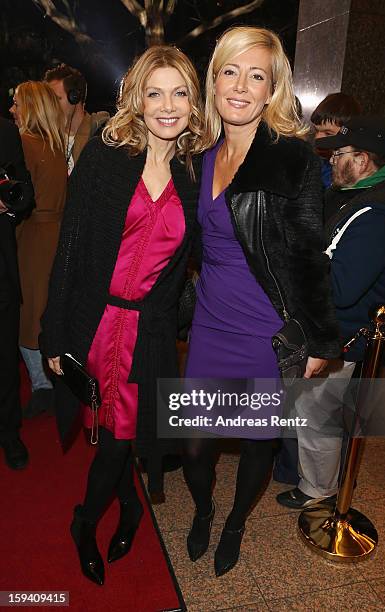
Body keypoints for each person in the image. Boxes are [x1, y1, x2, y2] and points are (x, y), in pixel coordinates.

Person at [40, 45, 204, 586]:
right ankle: (100, 516)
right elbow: (70, 250)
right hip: (96, 323)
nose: (167, 105)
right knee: (112, 433)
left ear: (193, 102)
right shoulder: (106, 158)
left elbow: (189, 264)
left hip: (147, 334)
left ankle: (99, 515)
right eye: (155, 92)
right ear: (136, 97)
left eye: (179, 92)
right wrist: (52, 335)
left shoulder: (191, 176)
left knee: (121, 436)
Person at [182, 26, 340, 577]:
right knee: (196, 448)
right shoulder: (198, 155)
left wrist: (320, 338)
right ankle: (203, 510)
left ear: (273, 90)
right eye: (231, 71)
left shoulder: (292, 160)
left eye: (258, 76)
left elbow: (308, 256)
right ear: (215, 79)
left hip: (265, 331)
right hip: (209, 323)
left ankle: (234, 524)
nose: (242, 87)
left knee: (255, 443)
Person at [277, 116, 385, 509]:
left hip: (340, 339)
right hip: (328, 332)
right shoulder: (360, 196)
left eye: (339, 154)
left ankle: (318, 490)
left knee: (316, 418)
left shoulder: (379, 218)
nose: (332, 161)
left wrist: (296, 258)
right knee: (310, 412)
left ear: (364, 160)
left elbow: (342, 289)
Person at [9, 81, 67, 418]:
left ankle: (41, 384)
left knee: (26, 316)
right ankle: (52, 382)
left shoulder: (25, 143)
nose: (12, 110)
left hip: (30, 237)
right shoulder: (55, 144)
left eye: (17, 103)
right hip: (55, 234)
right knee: (47, 311)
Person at [0, 117, 34, 469]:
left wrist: (9, 204)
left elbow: (25, 192)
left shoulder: (5, 131)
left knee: (5, 360)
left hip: (1, 268)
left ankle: (9, 431)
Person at [44, 64, 109, 174]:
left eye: (56, 99)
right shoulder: (47, 138)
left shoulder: (102, 138)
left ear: (74, 97)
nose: (49, 105)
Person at [311, 92, 362, 193]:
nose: (318, 138)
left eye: (328, 133)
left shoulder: (352, 170)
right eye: (316, 131)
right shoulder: (316, 162)